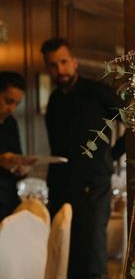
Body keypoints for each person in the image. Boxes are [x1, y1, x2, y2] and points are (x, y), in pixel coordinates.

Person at [41, 38, 124, 279]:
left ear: (74, 62)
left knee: (91, 252)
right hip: (59, 184)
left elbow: (132, 120)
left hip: (94, 185)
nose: (60, 69)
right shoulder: (55, 100)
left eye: (64, 62)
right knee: (63, 250)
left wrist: (112, 154)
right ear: (48, 68)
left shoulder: (97, 92)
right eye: (53, 65)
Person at [0, 71, 33, 221]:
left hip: (8, 201)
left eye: (17, 104)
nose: (12, 109)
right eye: (8, 101)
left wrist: (22, 169)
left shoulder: (11, 123)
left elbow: (18, 155)